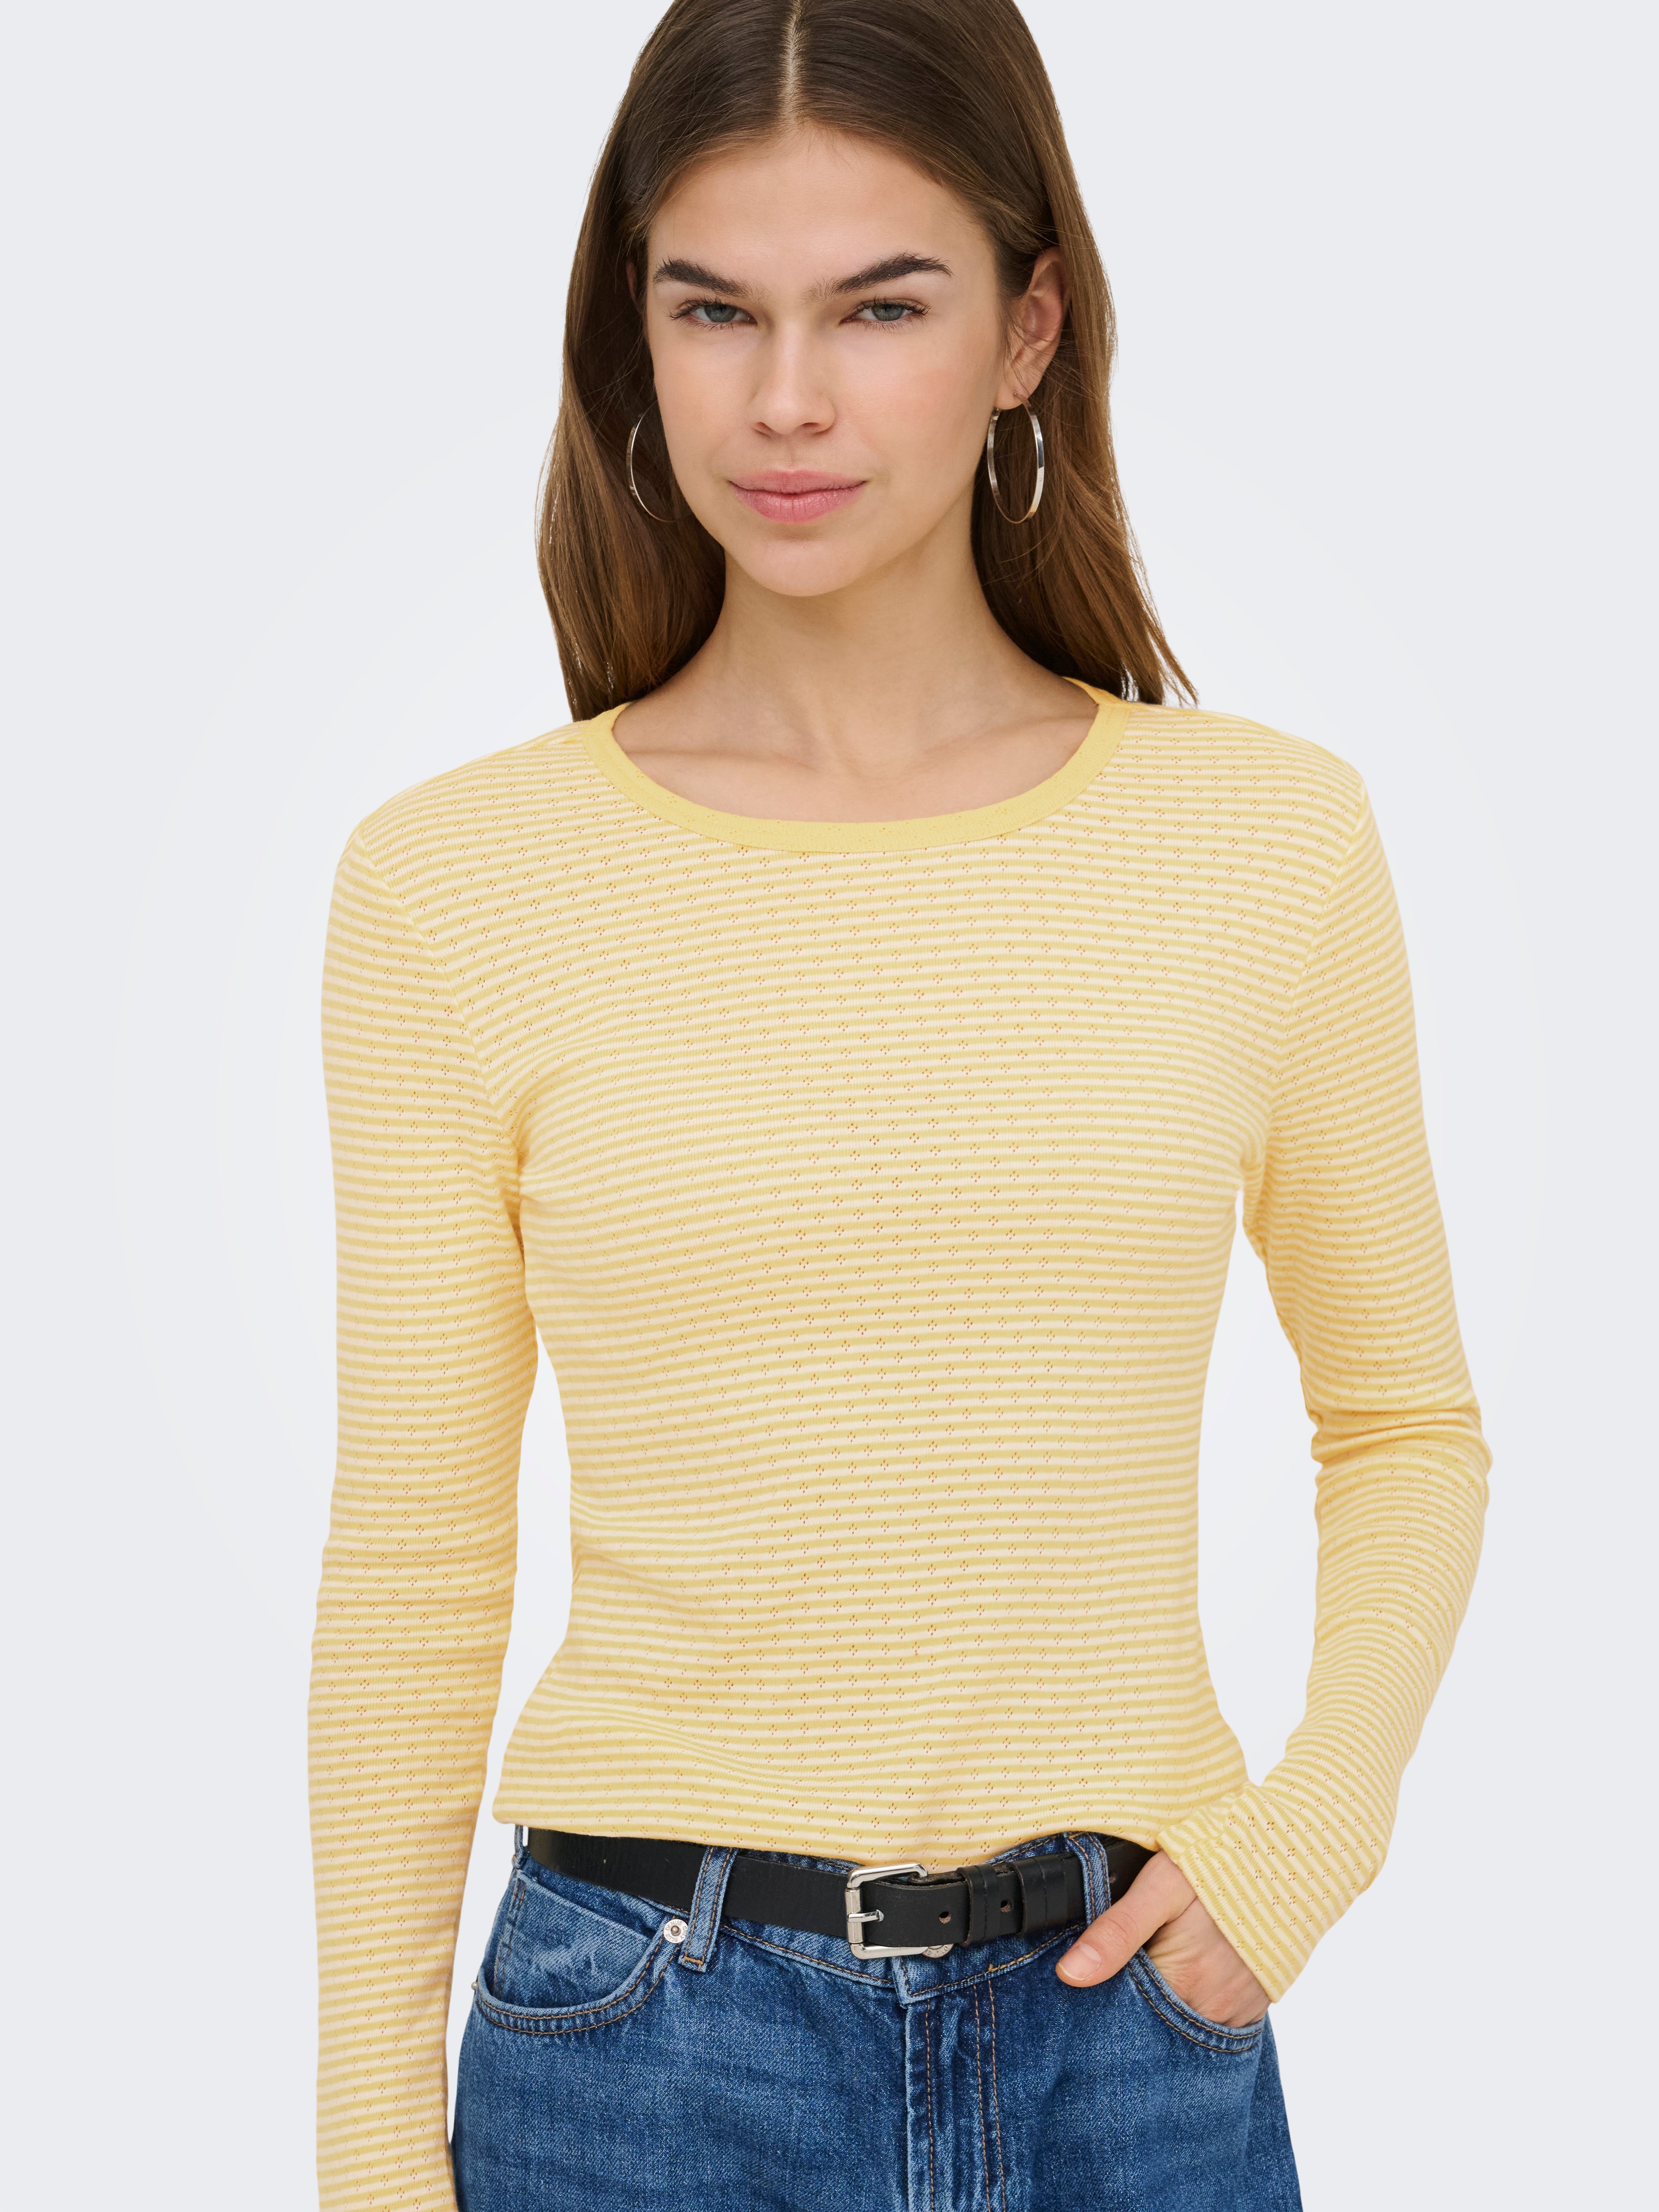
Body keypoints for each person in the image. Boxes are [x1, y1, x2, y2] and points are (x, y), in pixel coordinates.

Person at [307, 2, 1491, 2206]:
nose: (787, 397)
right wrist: (373, 2159)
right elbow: (415, 1565)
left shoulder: (1267, 843)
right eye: (715, 309)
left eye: (880, 307)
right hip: (641, 2054)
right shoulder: (456, 886)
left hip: (1130, 2041)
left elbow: (1407, 1422)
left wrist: (1303, 1844)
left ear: (1029, 328)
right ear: (635, 336)